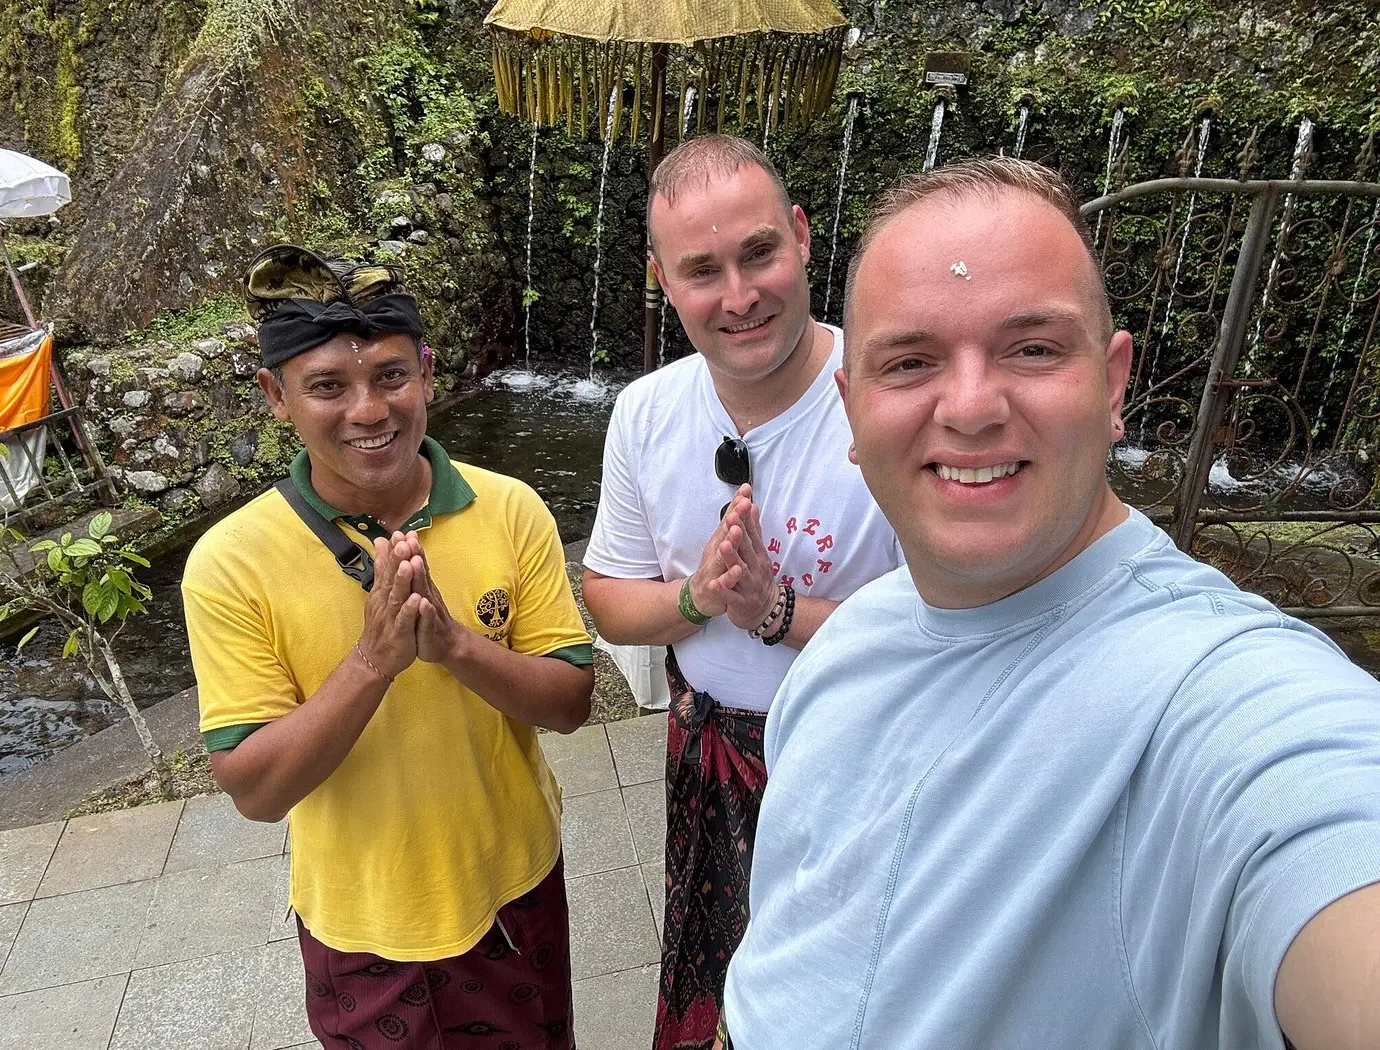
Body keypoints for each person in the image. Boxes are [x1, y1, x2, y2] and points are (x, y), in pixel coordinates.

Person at [720, 156, 1380, 1050]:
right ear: (852, 410)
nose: (970, 407)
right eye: (909, 362)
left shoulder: (1221, 703)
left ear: (1112, 385)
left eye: (1032, 349)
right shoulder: (847, 643)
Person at [182, 244, 595, 1050]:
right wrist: (372, 663)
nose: (369, 411)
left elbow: (571, 702)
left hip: (511, 888)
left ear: (428, 375)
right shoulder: (230, 563)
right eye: (328, 386)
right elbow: (256, 791)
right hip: (360, 922)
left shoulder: (509, 508)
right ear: (276, 396)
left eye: (391, 376)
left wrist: (456, 647)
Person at [581, 136, 902, 1050]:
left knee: (843, 1007)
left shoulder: (891, 397)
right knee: (711, 983)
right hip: (706, 758)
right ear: (662, 281)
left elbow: (957, 630)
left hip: (859, 768)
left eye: (759, 253)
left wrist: (777, 612)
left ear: (801, 236)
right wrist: (699, 599)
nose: (739, 296)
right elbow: (608, 595)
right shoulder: (646, 411)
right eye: (701, 270)